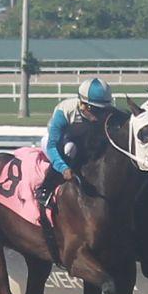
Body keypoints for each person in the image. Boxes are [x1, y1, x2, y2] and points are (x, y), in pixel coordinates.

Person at [35, 77, 113, 207]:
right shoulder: (65, 112)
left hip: (78, 139)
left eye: (103, 110)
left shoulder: (98, 112)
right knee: (69, 149)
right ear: (83, 104)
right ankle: (44, 189)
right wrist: (63, 168)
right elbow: (52, 145)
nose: (100, 116)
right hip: (56, 140)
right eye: (96, 110)